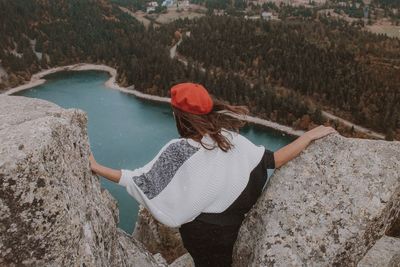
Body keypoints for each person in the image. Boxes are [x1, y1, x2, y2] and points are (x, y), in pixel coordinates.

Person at [89, 82, 336, 266]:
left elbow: (140, 181)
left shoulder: (179, 150)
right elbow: (273, 160)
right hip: (233, 231)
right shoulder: (230, 140)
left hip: (201, 236)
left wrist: (98, 167)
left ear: (179, 116)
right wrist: (308, 136)